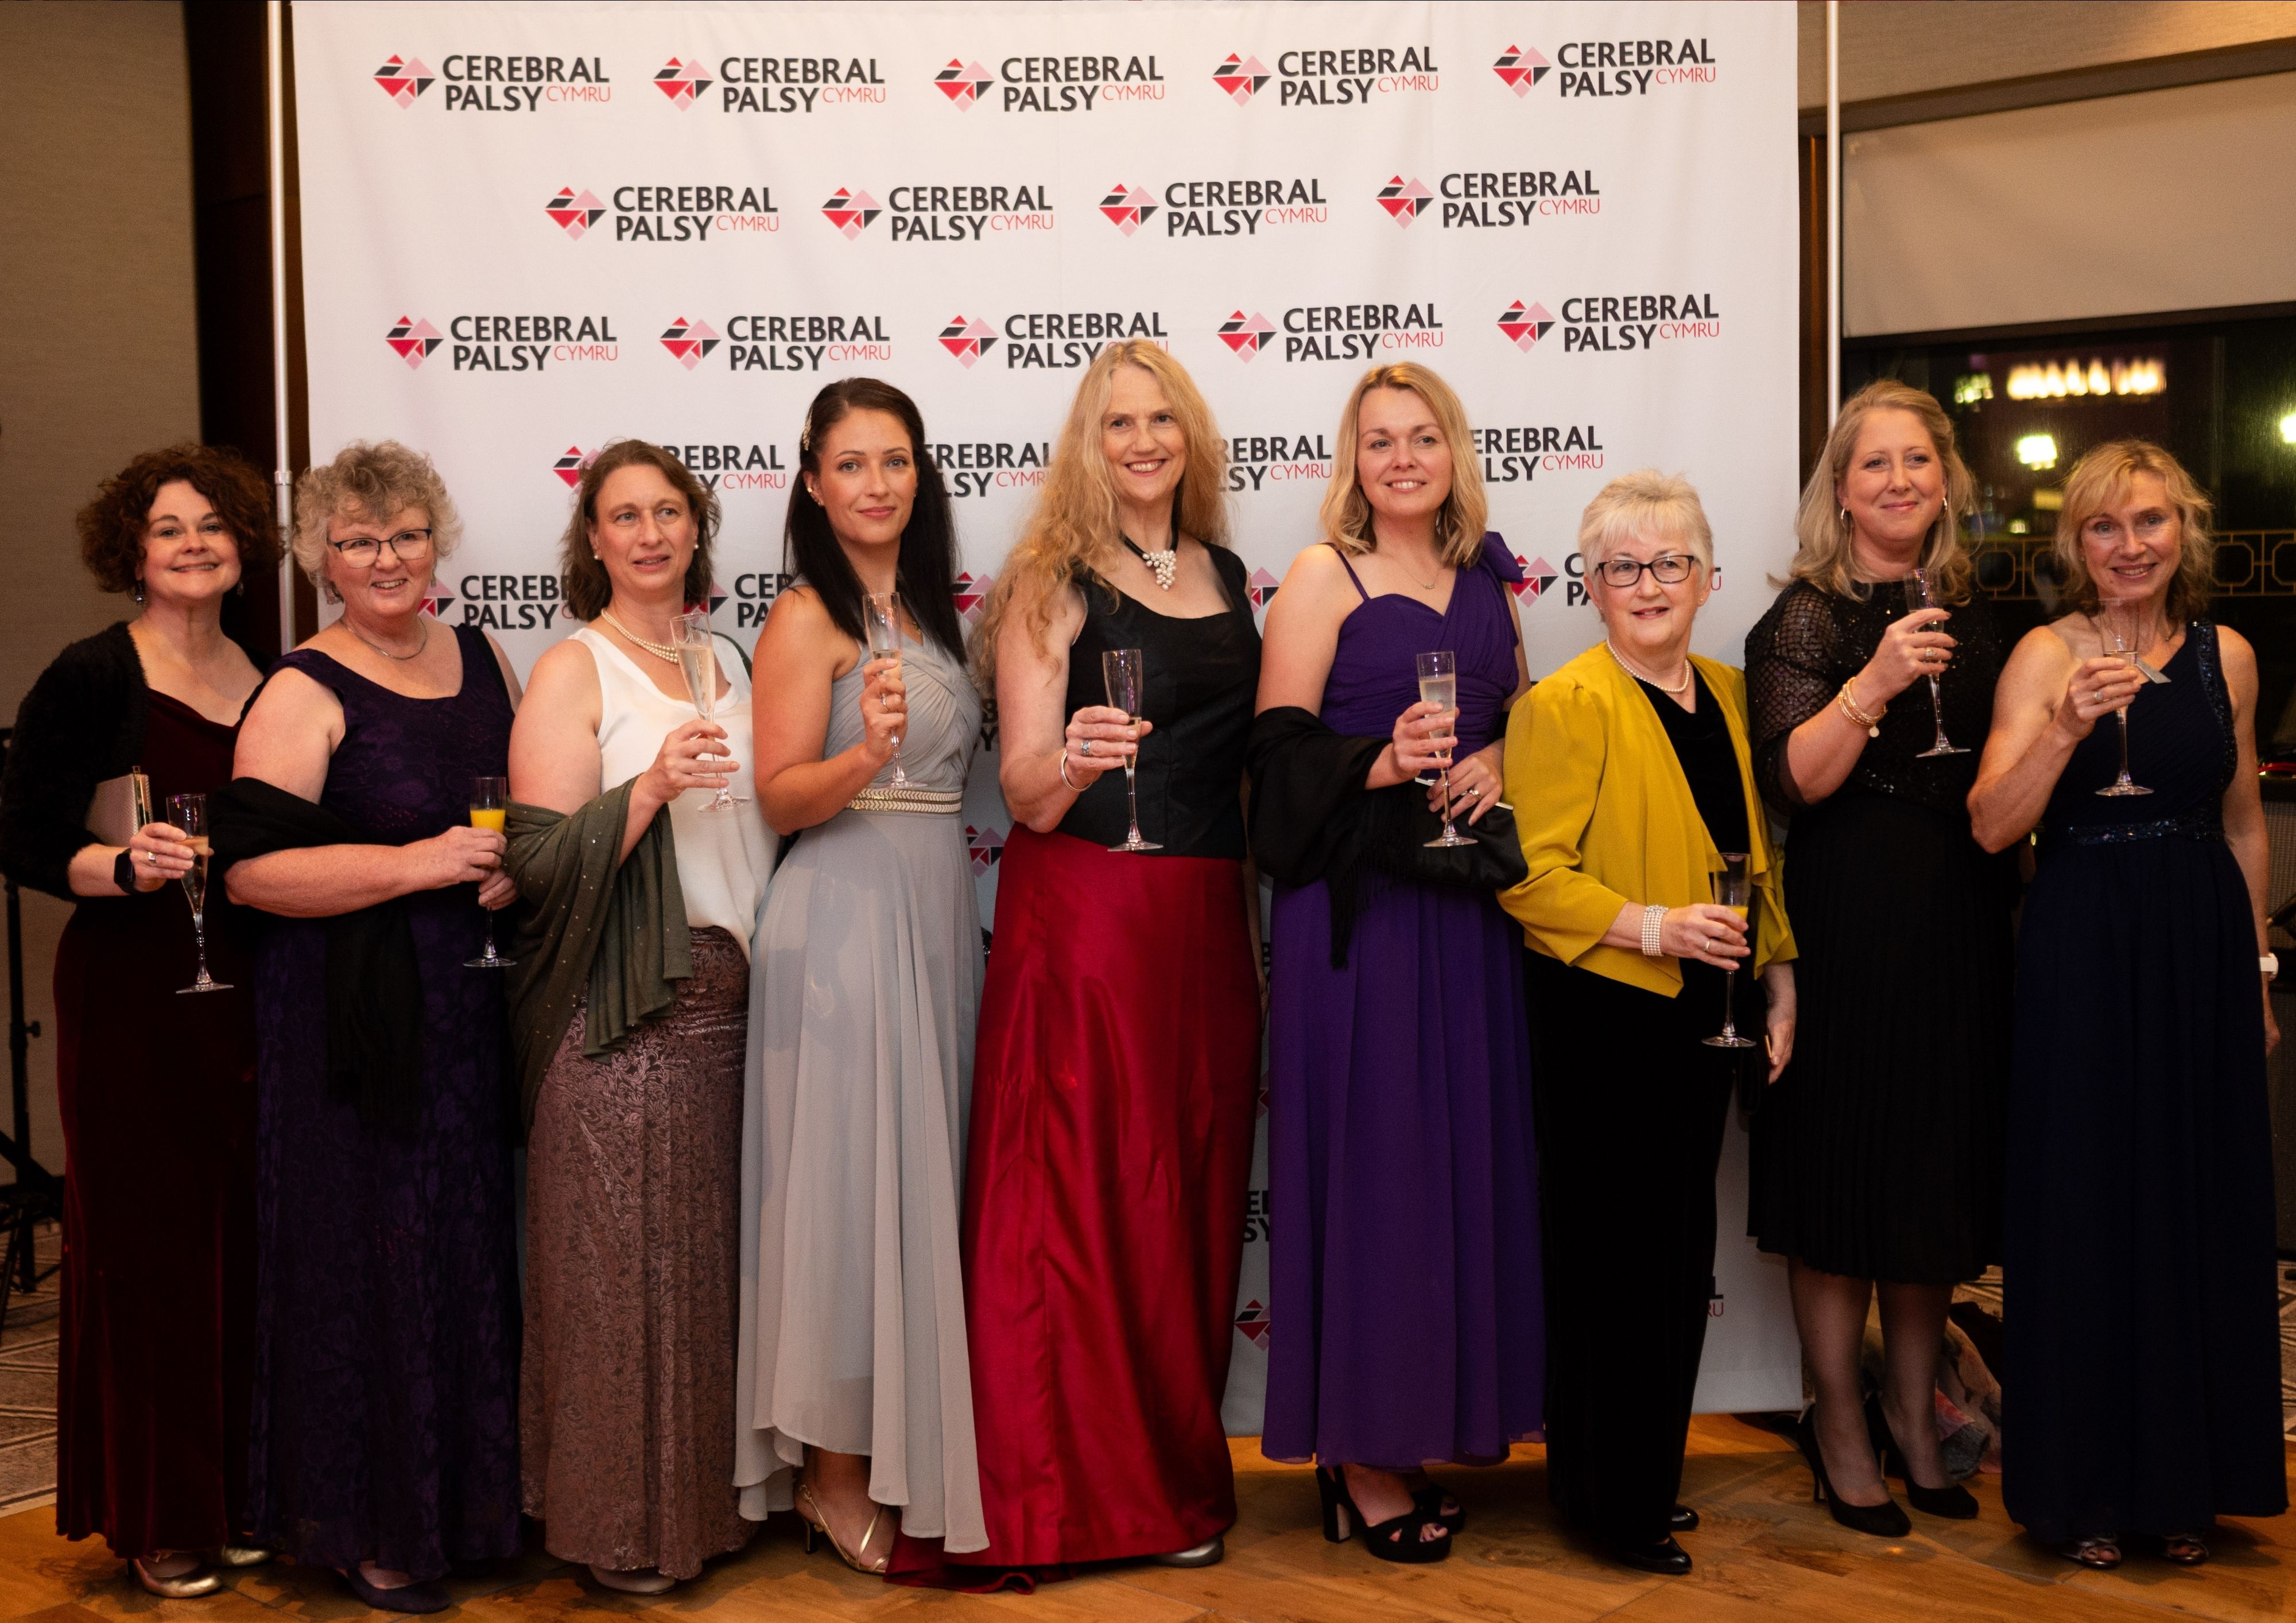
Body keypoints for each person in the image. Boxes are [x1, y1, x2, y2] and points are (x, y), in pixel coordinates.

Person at [952, 341, 1261, 1575]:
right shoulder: (1047, 579)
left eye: (1161, 419)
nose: (1141, 441)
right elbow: (1024, 795)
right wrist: (1078, 754)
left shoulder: (1228, 572)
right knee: (1082, 1200)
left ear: (1188, 435)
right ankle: (1058, 1498)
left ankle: (1172, 1484)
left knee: (1184, 1194)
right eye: (1117, 422)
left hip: (1202, 920)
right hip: (1086, 914)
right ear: (1089, 441)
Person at [219, 441, 525, 1614]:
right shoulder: (302, 687)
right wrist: (418, 864)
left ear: (435, 539)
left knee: (462, 1246)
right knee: (373, 1263)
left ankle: (469, 1509)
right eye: (357, 541)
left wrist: (506, 878)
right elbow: (251, 877)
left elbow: (518, 820)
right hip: (352, 1024)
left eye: (403, 533)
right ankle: (367, 1526)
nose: (386, 558)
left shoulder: (487, 654)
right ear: (321, 560)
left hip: (470, 1003)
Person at [1969, 440, 2285, 1570]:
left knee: (2195, 1195)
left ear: (2182, 532)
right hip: (2083, 945)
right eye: (2103, 526)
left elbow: (2243, 820)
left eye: (2148, 522)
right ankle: (2084, 1484)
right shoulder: (2039, 654)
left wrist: (2250, 971)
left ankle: (2188, 1481)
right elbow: (1992, 825)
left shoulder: (2227, 658)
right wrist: (2059, 726)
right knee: (2088, 1200)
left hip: (2198, 942)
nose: (2127, 545)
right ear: (2073, 543)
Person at [1249, 363, 1542, 1566]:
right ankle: (1358, 1457)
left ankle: (1424, 1423)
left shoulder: (1488, 581)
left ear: (1451, 450)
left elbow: (1523, 715)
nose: (1403, 458)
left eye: (1423, 438)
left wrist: (1500, 764)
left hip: (1463, 922)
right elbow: (1271, 763)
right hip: (1357, 927)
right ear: (1353, 461)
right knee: (1372, 1180)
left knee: (1446, 1180)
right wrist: (1375, 763)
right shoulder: (1326, 576)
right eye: (1380, 442)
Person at [1500, 470, 1797, 1577]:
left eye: (1671, 562)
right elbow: (1530, 881)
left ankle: (1642, 1481)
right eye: (1623, 567)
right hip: (1603, 1023)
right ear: (1592, 587)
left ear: (1708, 578)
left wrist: (1782, 974)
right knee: (1611, 1268)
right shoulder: (1566, 705)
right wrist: (1655, 927)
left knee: (1676, 1262)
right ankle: (1606, 1502)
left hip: (1702, 1025)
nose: (1649, 584)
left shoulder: (1723, 691)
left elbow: (1755, 859)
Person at [0, 446, 276, 1597]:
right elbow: (19, 836)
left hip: (251, 990)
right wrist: (117, 863)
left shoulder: (270, 675)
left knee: (248, 1244)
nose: (196, 544)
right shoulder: (90, 674)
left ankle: (237, 1495)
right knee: (151, 1250)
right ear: (134, 552)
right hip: (130, 995)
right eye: (170, 530)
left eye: (213, 525)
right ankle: (160, 1516)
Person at [1743, 381, 2015, 1534]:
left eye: (1917, 460)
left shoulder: (1988, 614)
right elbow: (1792, 780)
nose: (1898, 480)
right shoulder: (1802, 619)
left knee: (1927, 1188)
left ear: (1943, 481)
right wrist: (1874, 683)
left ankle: (1916, 1421)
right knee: (1841, 1185)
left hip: (1959, 922)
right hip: (1846, 919)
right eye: (1873, 464)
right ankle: (1839, 1426)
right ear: (1838, 489)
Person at [506, 440, 775, 1593]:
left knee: (707, 1279)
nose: (652, 533)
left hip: (729, 1008)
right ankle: (619, 1530)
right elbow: (534, 860)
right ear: (594, 540)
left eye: (669, 510)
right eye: (626, 515)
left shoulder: (729, 658)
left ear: (696, 527)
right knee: (618, 1281)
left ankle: (705, 1515)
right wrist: (651, 787)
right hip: (621, 1011)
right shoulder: (576, 668)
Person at [735, 379, 987, 1568]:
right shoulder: (805, 616)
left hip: (931, 909)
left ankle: (884, 1447)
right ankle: (831, 1481)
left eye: (896, 461)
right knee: (840, 1195)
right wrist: (865, 756)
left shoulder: (933, 611)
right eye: (851, 463)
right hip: (840, 914)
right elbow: (778, 794)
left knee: (906, 1187)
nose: (876, 483)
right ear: (812, 481)